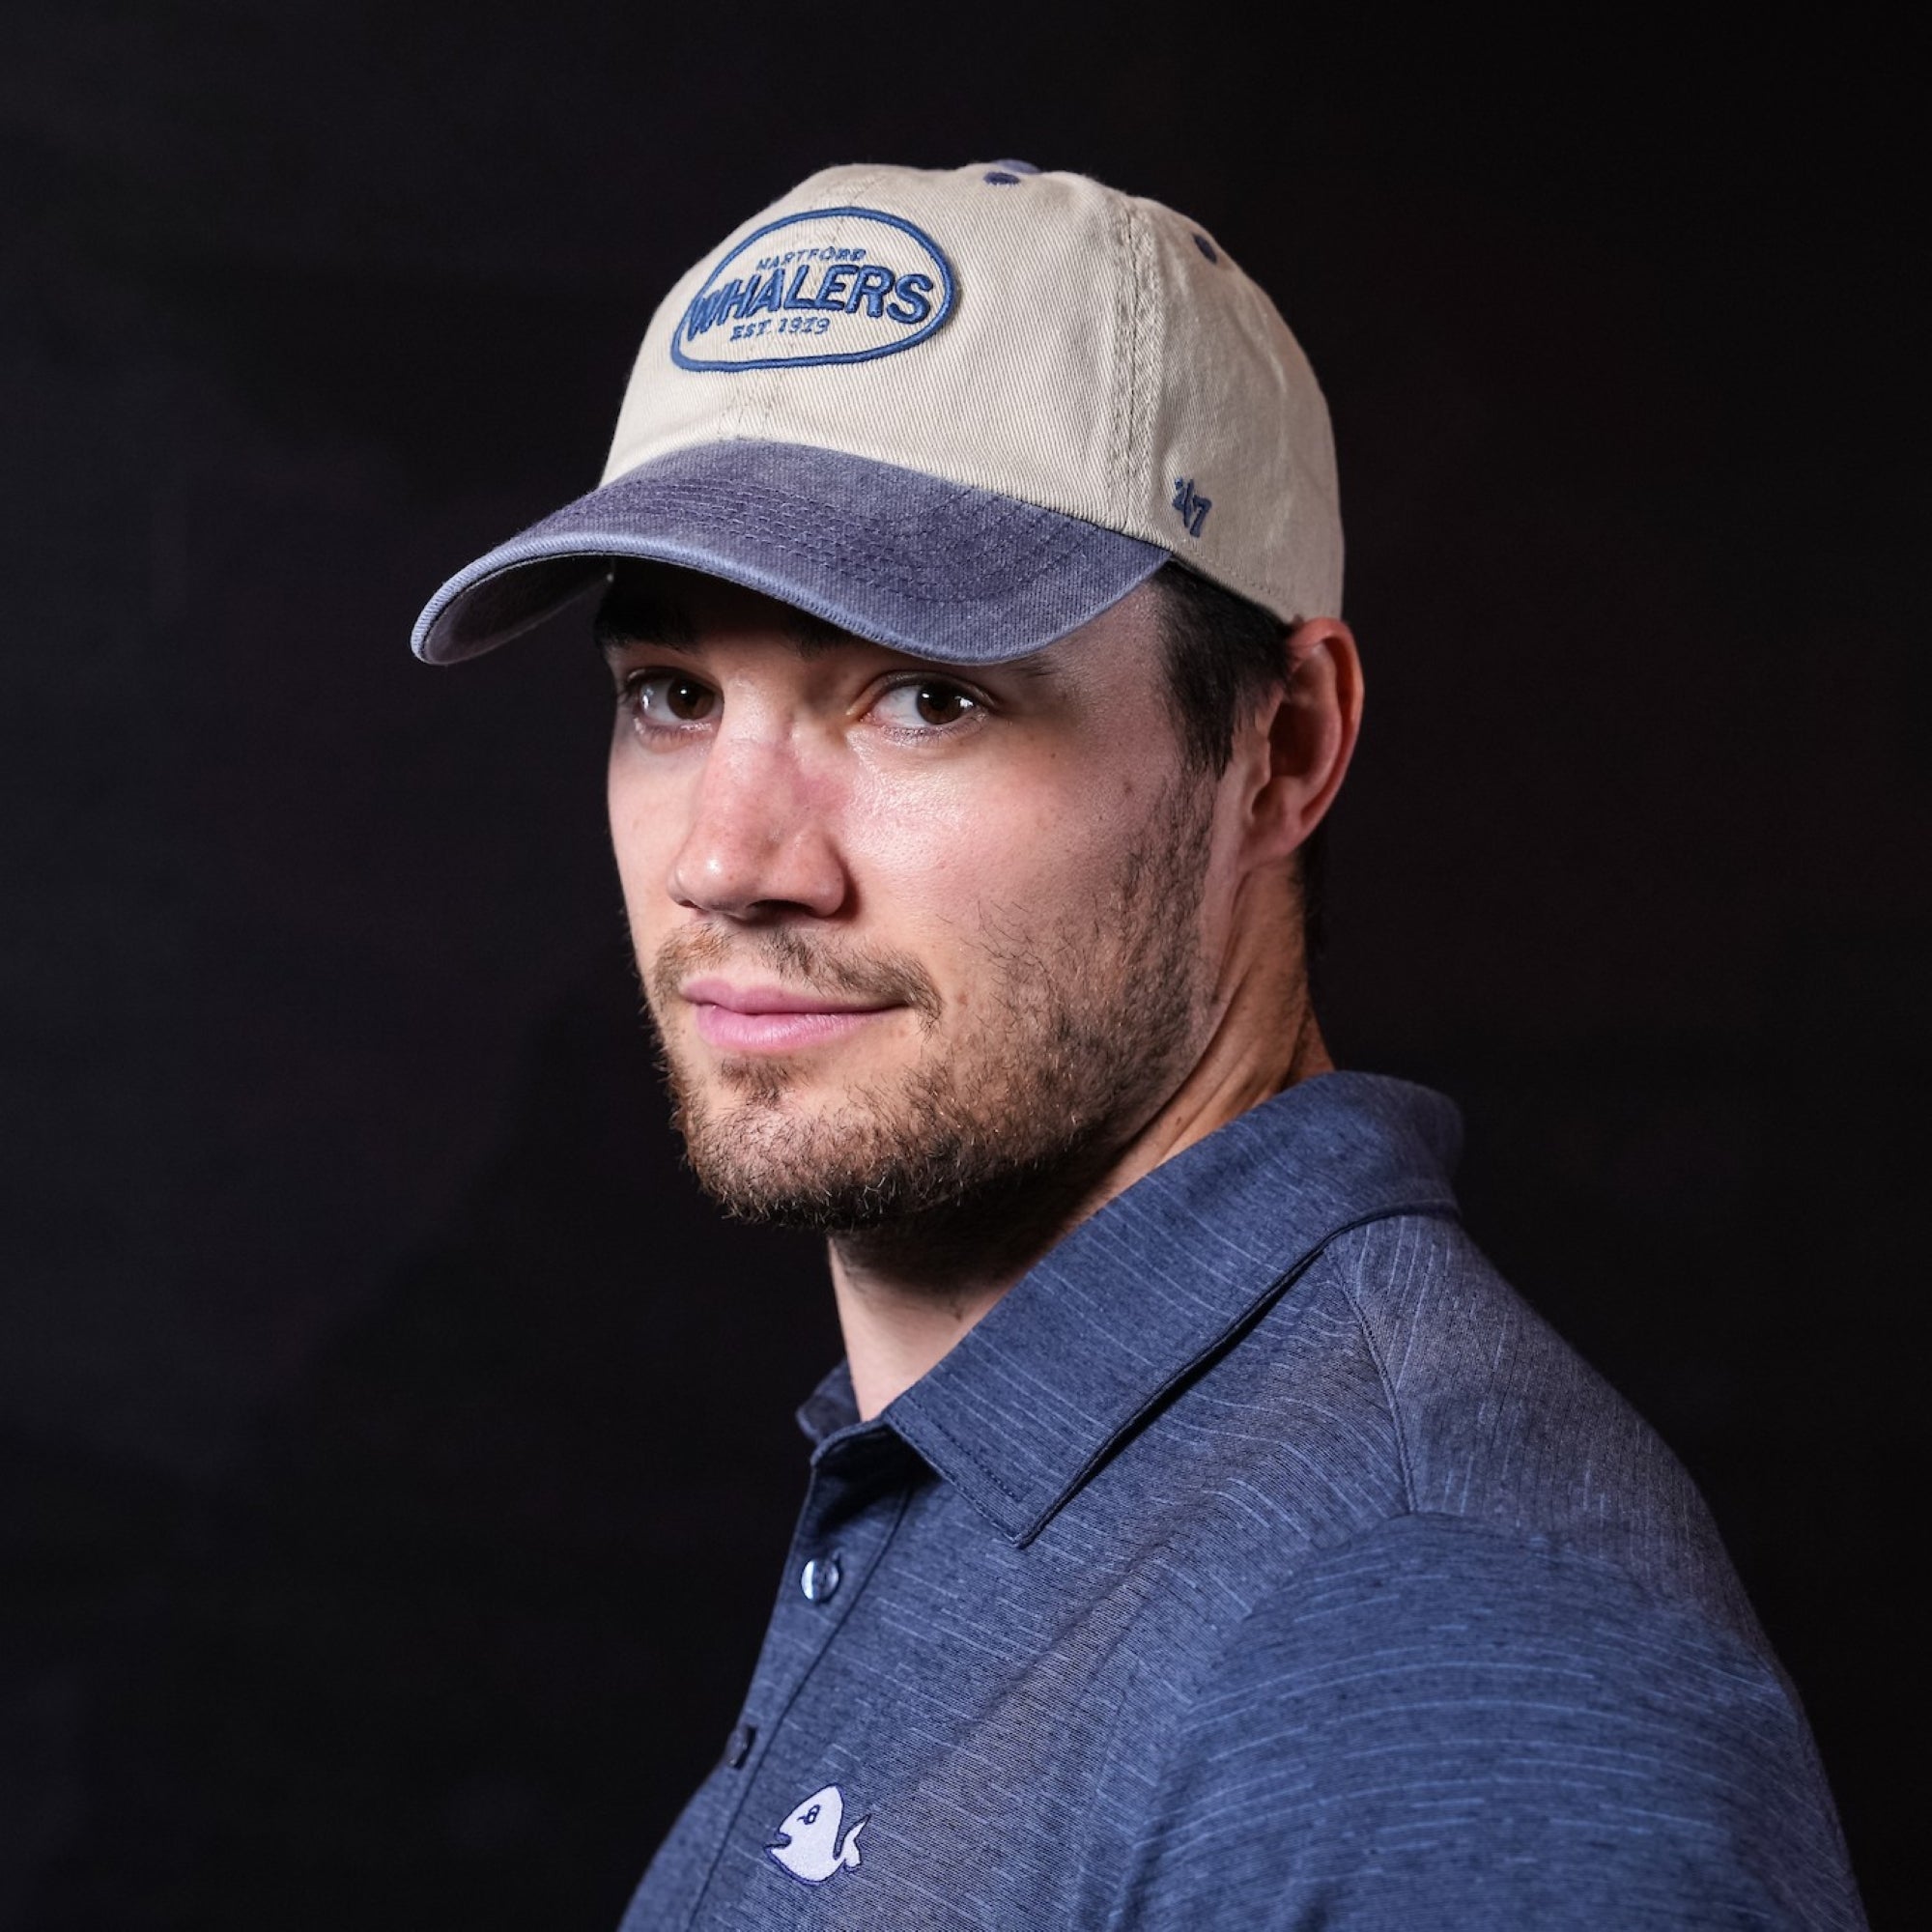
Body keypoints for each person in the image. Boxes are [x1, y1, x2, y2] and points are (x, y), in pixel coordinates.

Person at [412, 161, 1863, 1928]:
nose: (730, 860)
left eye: (924, 698)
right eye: (673, 695)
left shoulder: (1426, 1655)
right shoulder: (1009, 1484)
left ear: (1283, 744)